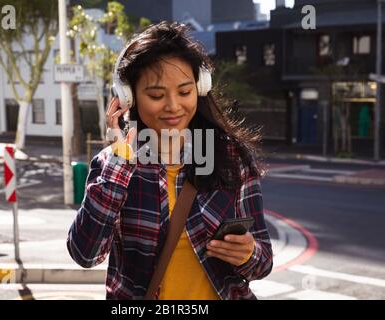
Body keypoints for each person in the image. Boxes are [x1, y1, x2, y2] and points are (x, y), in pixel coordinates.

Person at [67, 21, 273, 300]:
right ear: (128, 97)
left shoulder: (232, 157)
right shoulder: (113, 164)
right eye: (156, 95)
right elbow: (85, 254)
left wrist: (248, 253)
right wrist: (121, 161)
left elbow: (263, 263)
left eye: (185, 92)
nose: (174, 106)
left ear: (200, 89)